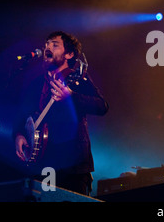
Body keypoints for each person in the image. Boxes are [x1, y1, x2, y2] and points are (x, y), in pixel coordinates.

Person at [14, 31, 108, 195]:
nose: (47, 47)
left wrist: (71, 96)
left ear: (69, 54)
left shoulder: (78, 79)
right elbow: (22, 115)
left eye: (54, 44)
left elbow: (102, 106)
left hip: (73, 167)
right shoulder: (36, 83)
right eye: (46, 45)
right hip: (45, 165)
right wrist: (18, 135)